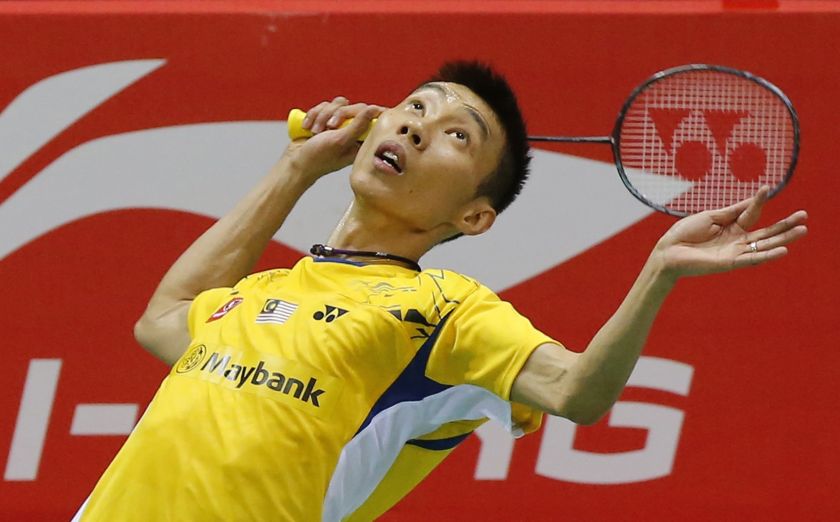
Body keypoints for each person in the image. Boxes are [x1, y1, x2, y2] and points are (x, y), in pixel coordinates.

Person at [72, 61, 807, 521]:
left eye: (459, 136)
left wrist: (657, 274)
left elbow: (579, 392)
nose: (421, 128)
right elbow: (163, 318)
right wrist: (296, 168)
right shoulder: (265, 288)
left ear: (474, 216)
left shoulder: (444, 309)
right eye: (417, 107)